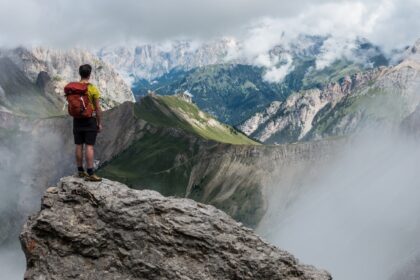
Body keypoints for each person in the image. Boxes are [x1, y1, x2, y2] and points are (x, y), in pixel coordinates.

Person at [66, 64, 103, 181]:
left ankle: (80, 171)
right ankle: (91, 173)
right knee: (89, 146)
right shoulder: (92, 89)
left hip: (77, 120)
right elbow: (97, 108)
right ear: (90, 74)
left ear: (80, 73)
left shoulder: (73, 89)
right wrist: (99, 122)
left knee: (78, 145)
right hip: (89, 120)